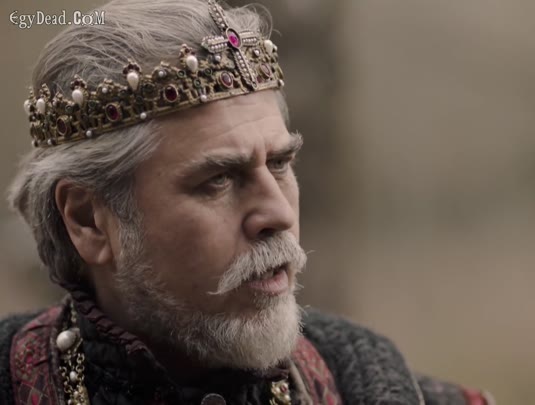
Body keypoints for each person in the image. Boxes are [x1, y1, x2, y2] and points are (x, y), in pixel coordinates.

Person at [0, 0, 494, 403]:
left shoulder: (383, 388)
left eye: (279, 163)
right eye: (218, 179)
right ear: (88, 220)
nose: (277, 213)